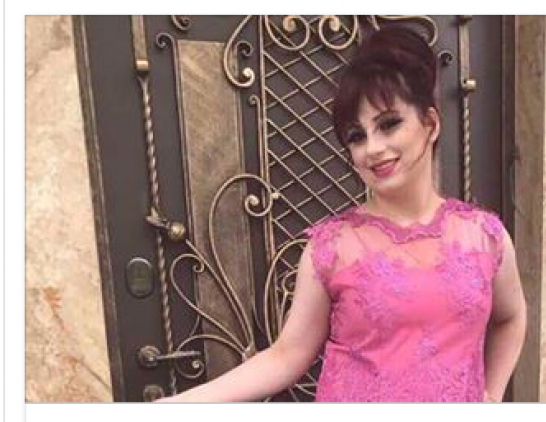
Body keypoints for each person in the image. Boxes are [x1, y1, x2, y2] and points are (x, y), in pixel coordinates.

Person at [157, 25, 526, 403]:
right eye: (356, 136)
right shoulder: (332, 246)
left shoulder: (485, 236)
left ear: (430, 124)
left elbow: (511, 318)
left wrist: (491, 396)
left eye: (388, 124)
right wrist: (180, 404)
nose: (373, 148)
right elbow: (286, 355)